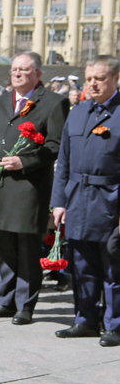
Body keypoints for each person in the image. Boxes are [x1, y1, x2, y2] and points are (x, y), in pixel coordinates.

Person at [0, 51, 69, 325]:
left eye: (24, 70)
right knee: (2, 248)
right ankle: (5, 301)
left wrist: (24, 161)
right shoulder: (0, 102)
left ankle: (25, 305)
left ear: (38, 74)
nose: (17, 74)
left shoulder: (54, 103)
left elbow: (55, 146)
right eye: (14, 69)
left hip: (27, 188)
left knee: (26, 249)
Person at [52, 55, 120, 345]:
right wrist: (59, 202)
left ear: (115, 79)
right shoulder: (78, 112)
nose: (92, 83)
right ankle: (85, 320)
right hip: (79, 200)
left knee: (113, 268)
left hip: (111, 201)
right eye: (89, 78)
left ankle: (114, 325)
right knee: (81, 266)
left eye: (100, 78)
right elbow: (64, 161)